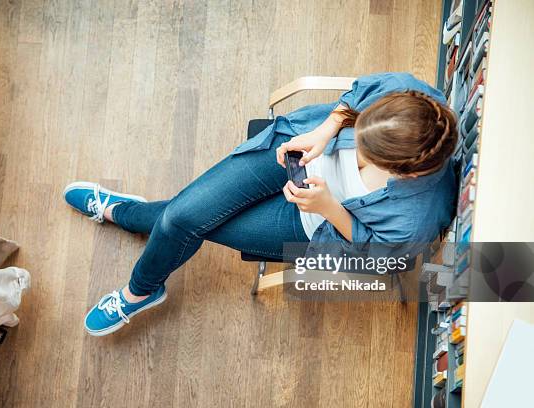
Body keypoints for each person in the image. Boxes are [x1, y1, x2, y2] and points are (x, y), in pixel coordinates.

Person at [63, 72, 458, 336]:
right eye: (361, 131)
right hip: (297, 147)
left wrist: (327, 207)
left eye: (366, 155)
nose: (354, 147)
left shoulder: (415, 219)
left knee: (182, 219)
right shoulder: (413, 97)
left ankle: (133, 261)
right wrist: (326, 130)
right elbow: (356, 96)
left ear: (403, 171)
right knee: (182, 218)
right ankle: (135, 245)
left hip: (309, 224)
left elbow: (369, 257)